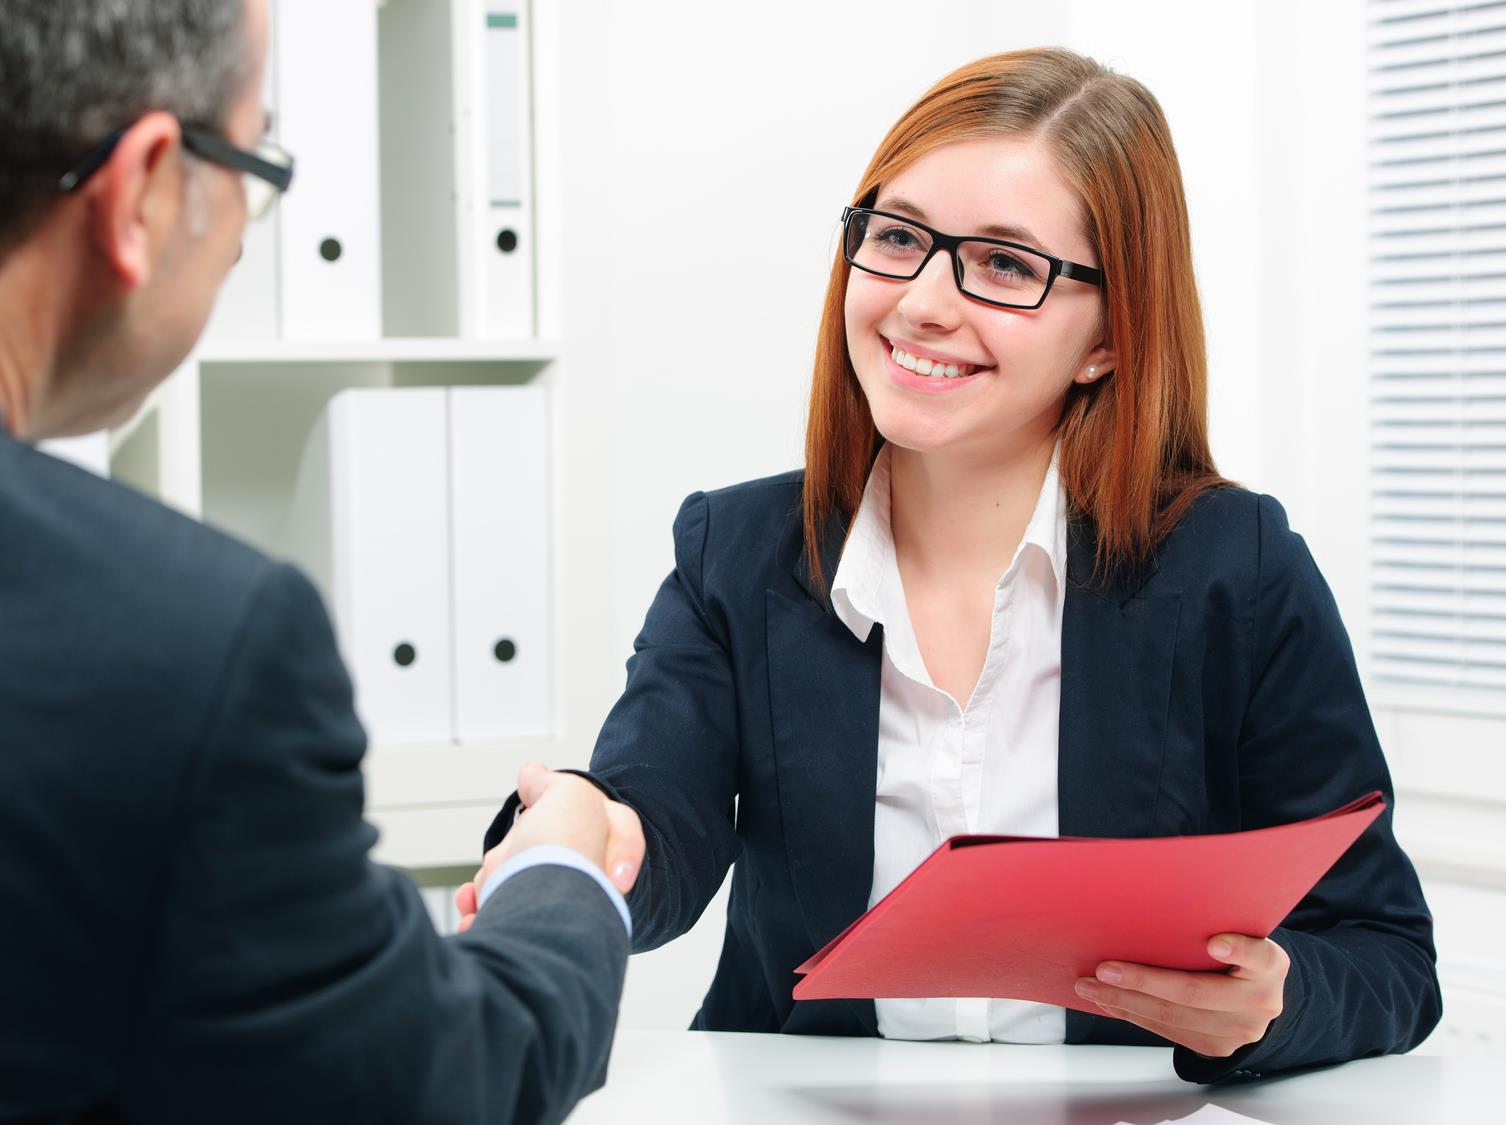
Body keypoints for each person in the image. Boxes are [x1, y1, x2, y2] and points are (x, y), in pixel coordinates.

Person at [476, 48, 1442, 1082]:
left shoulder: (1235, 570)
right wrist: (591, 832)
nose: (924, 303)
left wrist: (1274, 1000)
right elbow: (653, 825)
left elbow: (1386, 956)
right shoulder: (738, 554)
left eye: (1006, 266)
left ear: (1108, 338)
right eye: (897, 239)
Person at [0, 1, 642, 1121]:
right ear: (145, 187)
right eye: (256, 165)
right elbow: (446, 1082)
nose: (246, 233)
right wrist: (560, 866)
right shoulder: (188, 647)